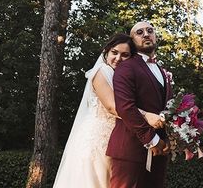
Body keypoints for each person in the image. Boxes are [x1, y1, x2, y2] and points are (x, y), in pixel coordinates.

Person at [53, 33, 164, 188]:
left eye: (125, 55)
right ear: (107, 51)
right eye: (114, 52)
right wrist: (147, 116)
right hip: (96, 140)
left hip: (117, 140)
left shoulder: (124, 75)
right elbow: (112, 106)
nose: (118, 58)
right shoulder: (100, 71)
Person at [107, 21, 173, 188]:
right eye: (139, 32)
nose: (146, 34)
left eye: (150, 30)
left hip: (161, 151)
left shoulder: (162, 70)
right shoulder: (126, 67)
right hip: (130, 149)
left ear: (155, 35)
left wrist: (170, 138)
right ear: (132, 40)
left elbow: (169, 108)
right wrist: (151, 138)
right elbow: (125, 107)